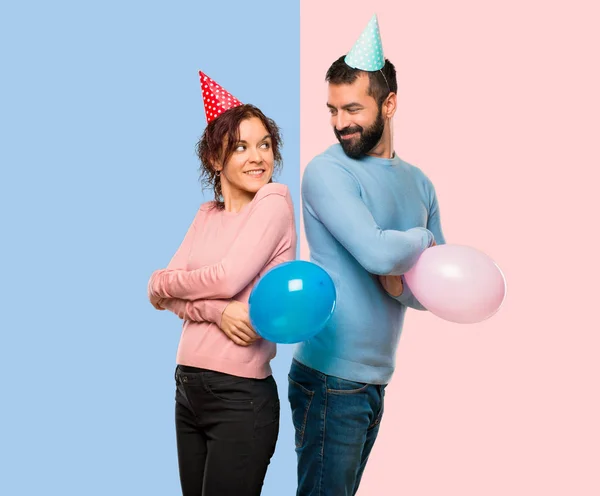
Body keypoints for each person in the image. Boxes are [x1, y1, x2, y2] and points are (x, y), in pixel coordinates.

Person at [288, 16, 446, 496]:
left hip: (374, 381)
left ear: (389, 104)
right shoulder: (326, 171)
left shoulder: (420, 183)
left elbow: (433, 288)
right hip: (329, 378)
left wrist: (404, 285)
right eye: (332, 109)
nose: (340, 123)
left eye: (352, 108)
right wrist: (418, 241)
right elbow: (378, 252)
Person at [148, 72, 297, 496]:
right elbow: (157, 289)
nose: (258, 157)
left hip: (240, 397)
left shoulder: (273, 202)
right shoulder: (206, 215)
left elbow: (226, 277)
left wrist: (177, 287)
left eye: (265, 144)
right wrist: (217, 309)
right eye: (241, 146)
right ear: (216, 159)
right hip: (187, 389)